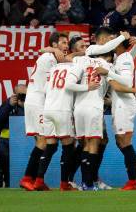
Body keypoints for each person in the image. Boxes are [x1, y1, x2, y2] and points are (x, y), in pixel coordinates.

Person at [33, 43, 96, 191]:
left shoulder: (54, 68)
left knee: (50, 146)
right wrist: (88, 87)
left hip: (48, 109)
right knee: (68, 147)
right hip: (62, 110)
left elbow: (44, 89)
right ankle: (63, 184)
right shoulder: (76, 68)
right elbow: (69, 85)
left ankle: (39, 180)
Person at [94, 33, 136, 190]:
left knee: (124, 142)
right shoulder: (122, 57)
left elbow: (126, 81)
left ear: (119, 45)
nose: (111, 41)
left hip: (124, 104)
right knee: (121, 142)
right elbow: (128, 57)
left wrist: (107, 73)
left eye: (114, 40)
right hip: (119, 103)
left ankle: (133, 181)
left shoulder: (123, 58)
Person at [19, 32, 69, 191]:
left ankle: (36, 180)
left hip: (38, 102)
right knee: (43, 142)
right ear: (54, 45)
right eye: (63, 43)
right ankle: (27, 178)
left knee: (48, 143)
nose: (66, 46)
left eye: (67, 43)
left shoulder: (49, 57)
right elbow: (51, 86)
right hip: (38, 103)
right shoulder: (48, 59)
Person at [71, 39, 115, 191]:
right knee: (94, 144)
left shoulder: (79, 61)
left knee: (84, 144)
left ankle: (85, 183)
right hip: (94, 107)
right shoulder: (107, 66)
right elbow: (118, 85)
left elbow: (68, 62)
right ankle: (89, 183)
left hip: (78, 108)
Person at [0, 84, 26, 187]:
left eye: (26, 94)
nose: (24, 97)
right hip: (7, 142)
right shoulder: (8, 104)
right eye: (21, 95)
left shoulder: (31, 104)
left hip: (25, 142)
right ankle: (8, 183)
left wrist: (25, 107)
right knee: (6, 162)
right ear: (15, 94)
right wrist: (9, 105)